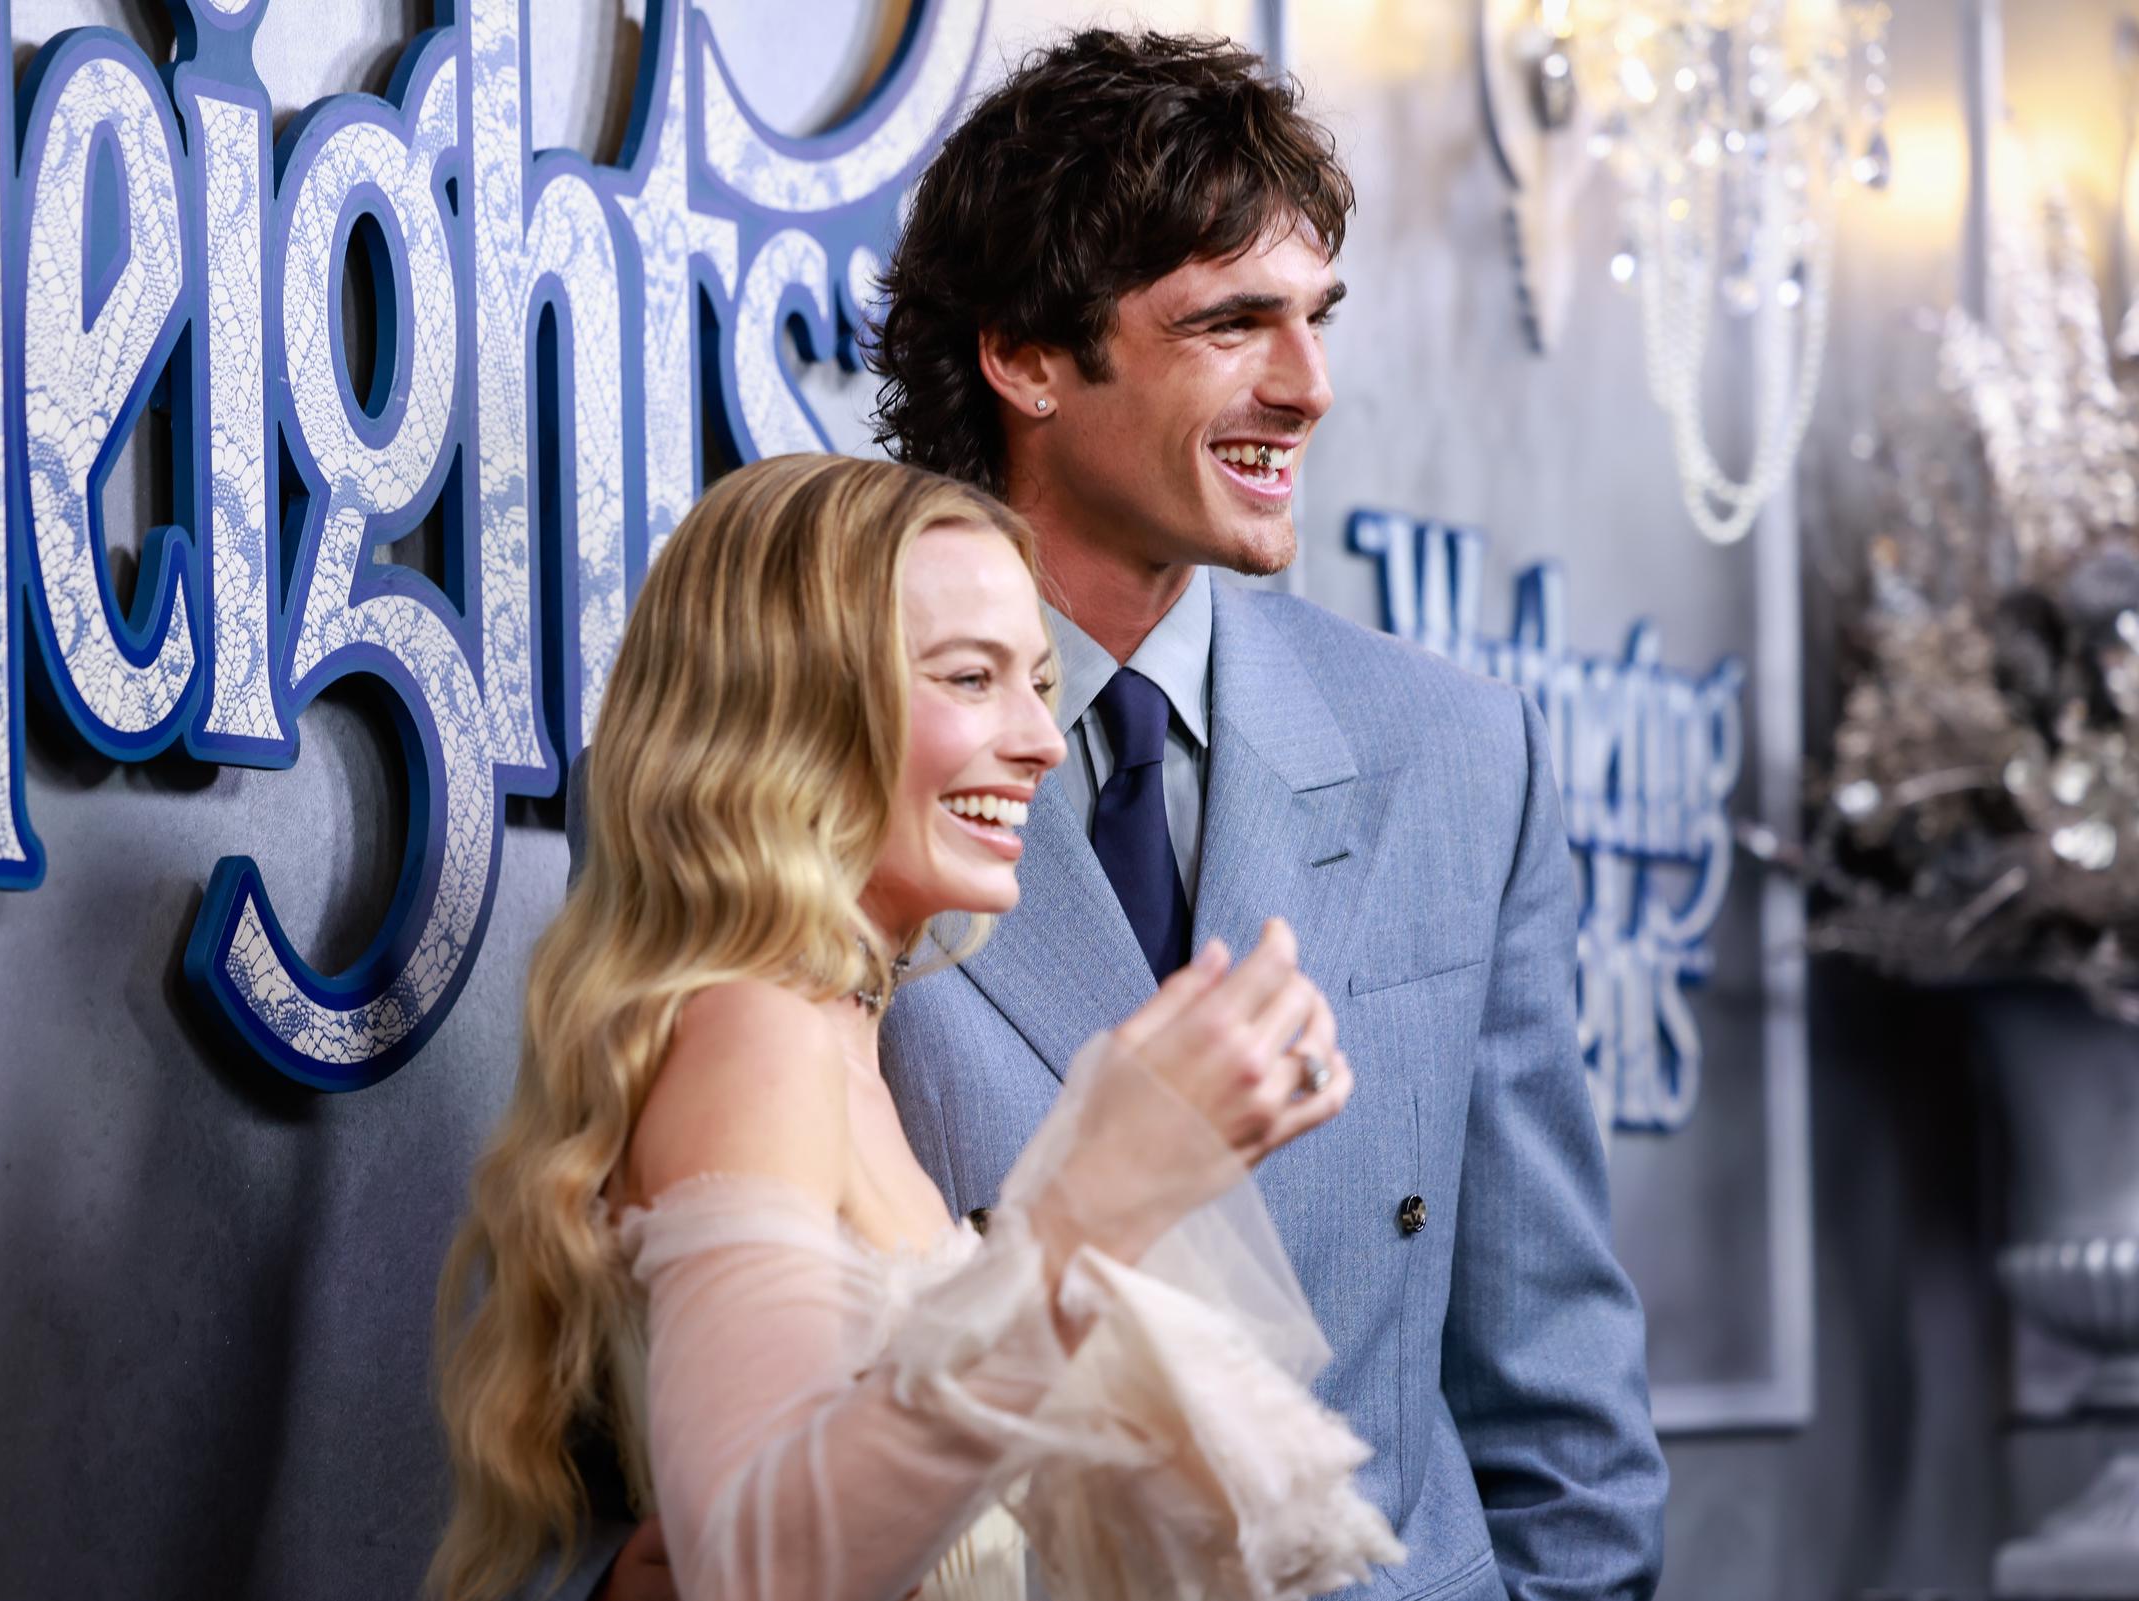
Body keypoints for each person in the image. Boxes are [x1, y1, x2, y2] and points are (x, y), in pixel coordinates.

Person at [866, 29, 1670, 1601]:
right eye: (1234, 324)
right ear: (1025, 356)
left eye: (1317, 319)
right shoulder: (818, 744)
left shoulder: (1455, 751)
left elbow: (1552, 1362)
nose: (1305, 386)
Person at [429, 454, 1404, 1601]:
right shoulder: (759, 1036)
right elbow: (759, 1568)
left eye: (1037, 681)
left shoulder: (832, 1036)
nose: (1043, 738)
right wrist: (1091, 1205)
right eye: (970, 677)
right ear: (791, 707)